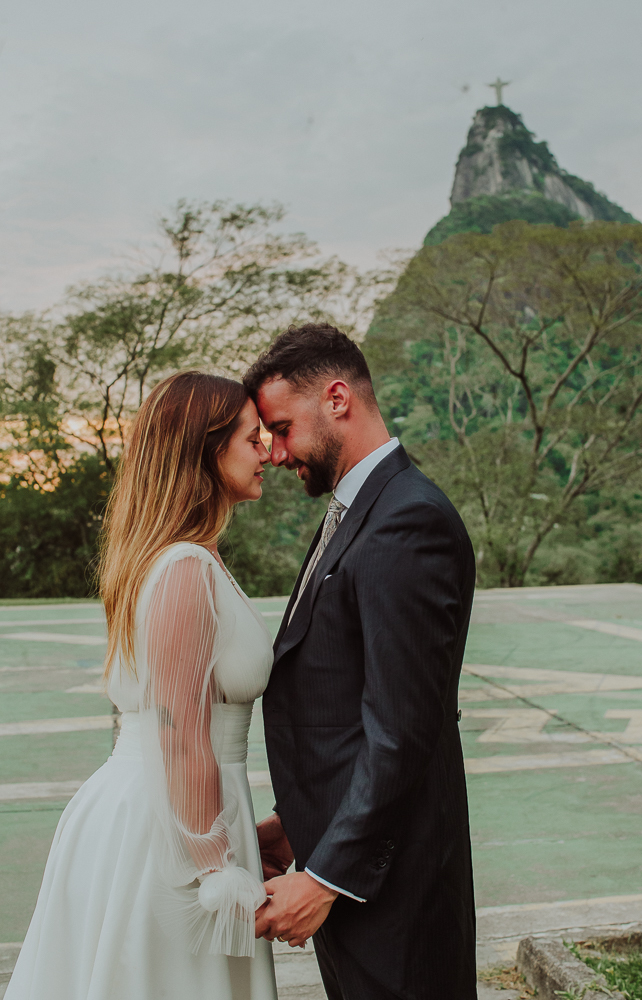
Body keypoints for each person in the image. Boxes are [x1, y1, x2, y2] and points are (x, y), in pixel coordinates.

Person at [6, 372, 278, 1000]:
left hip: (181, 810)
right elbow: (181, 733)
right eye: (250, 437)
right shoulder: (183, 567)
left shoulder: (186, 558)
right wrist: (215, 869)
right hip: (172, 828)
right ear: (207, 452)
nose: (266, 450)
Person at [247, 324, 478, 1000]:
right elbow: (345, 700)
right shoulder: (357, 511)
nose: (278, 452)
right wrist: (296, 825)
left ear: (338, 399)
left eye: (282, 427)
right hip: (356, 867)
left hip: (392, 888)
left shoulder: (407, 521)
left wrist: (324, 878)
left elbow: (401, 727)